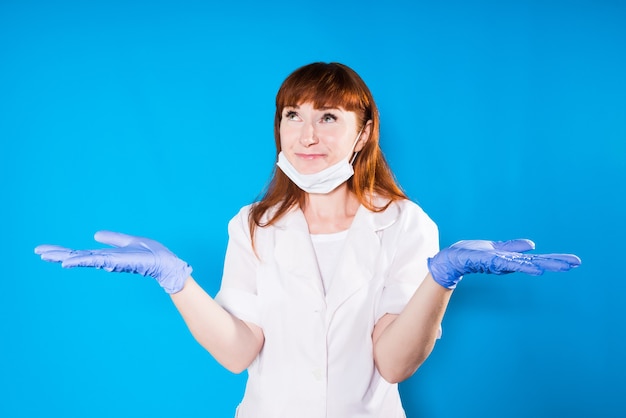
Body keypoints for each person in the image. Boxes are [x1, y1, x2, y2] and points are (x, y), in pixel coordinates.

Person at [35, 62, 581, 418]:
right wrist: (176, 282)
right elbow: (238, 350)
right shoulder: (252, 223)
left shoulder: (405, 223)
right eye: (291, 115)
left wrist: (442, 281)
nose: (306, 134)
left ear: (363, 131)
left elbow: (391, 364)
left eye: (328, 116)